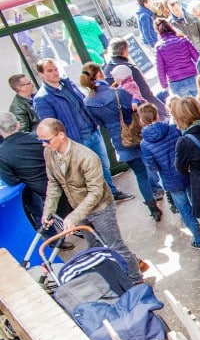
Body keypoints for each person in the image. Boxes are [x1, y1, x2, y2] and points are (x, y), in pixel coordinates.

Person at [37, 118, 144, 284]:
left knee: (115, 245)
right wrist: (48, 210)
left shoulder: (87, 157)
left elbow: (96, 192)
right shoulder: (49, 153)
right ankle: (112, 278)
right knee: (94, 246)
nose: (44, 145)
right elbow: (53, 183)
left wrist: (74, 216)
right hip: (79, 209)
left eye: (47, 140)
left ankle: (136, 280)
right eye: (41, 140)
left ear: (61, 135)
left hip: (101, 208)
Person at [33, 58, 131, 201]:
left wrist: (94, 121)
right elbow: (51, 126)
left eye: (55, 69)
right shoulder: (42, 98)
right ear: (41, 74)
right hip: (75, 139)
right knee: (89, 171)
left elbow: (83, 103)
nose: (55, 73)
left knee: (103, 165)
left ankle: (111, 192)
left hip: (92, 131)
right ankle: (101, 199)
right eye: (50, 71)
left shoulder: (68, 85)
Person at [79, 63, 161, 222]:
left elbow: (99, 123)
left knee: (140, 174)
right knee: (154, 165)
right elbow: (136, 109)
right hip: (137, 135)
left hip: (120, 142)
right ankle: (165, 193)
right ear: (99, 74)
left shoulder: (88, 102)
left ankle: (153, 208)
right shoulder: (118, 92)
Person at [138, 103, 200, 248]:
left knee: (185, 210)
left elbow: (152, 166)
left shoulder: (144, 144)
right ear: (157, 114)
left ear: (142, 120)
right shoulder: (172, 128)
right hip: (187, 172)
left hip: (170, 179)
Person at [0, 112, 69, 238]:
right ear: (18, 124)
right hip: (63, 181)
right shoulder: (37, 138)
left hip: (41, 192)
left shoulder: (2, 153)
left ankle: (55, 241)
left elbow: (12, 181)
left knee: (37, 208)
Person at [103, 38, 168, 118]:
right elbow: (147, 95)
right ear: (126, 50)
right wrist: (165, 112)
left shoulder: (106, 71)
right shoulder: (130, 69)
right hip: (141, 112)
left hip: (122, 115)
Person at [154, 18, 200, 98]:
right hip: (193, 77)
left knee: (185, 105)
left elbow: (160, 68)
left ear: (157, 31)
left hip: (176, 82)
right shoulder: (183, 40)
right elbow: (197, 57)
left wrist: (164, 85)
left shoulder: (159, 46)